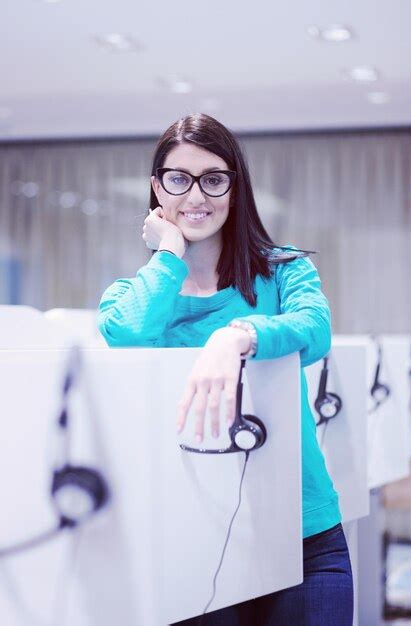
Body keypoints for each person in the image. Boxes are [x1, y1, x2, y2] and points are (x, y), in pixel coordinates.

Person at [97, 113, 353, 626]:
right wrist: (168, 253)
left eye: (213, 179)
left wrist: (238, 335)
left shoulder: (283, 271)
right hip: (192, 537)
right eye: (178, 179)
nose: (196, 196)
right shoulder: (132, 294)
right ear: (156, 189)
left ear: (235, 188)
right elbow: (127, 336)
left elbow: (315, 329)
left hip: (302, 531)